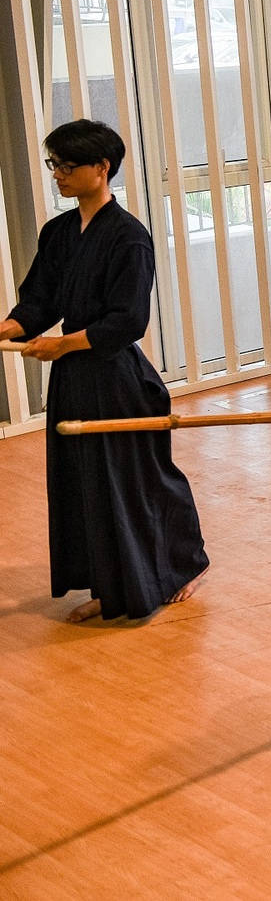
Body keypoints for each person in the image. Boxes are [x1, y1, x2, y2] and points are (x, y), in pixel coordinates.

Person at [1, 119, 209, 622]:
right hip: (75, 380)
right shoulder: (59, 232)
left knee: (138, 479)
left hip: (118, 380)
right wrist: (8, 327)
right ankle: (111, 584)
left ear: (102, 168)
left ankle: (182, 566)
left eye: (68, 166)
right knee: (84, 482)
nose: (59, 176)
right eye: (55, 166)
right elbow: (39, 299)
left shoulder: (129, 238)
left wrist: (63, 345)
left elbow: (127, 320)